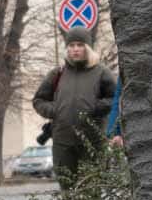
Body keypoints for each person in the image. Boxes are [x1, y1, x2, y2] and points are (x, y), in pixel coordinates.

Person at [30, 27, 117, 178]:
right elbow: (39, 100)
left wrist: (94, 107)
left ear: (88, 47)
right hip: (63, 143)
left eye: (80, 45)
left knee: (91, 190)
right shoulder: (58, 73)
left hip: (93, 142)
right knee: (68, 191)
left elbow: (115, 99)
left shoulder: (101, 72)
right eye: (71, 45)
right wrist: (55, 110)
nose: (75, 49)